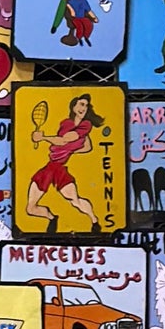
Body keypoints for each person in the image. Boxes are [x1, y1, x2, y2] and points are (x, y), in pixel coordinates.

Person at [25, 95, 101, 229]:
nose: (83, 108)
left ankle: (94, 221)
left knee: (75, 201)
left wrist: (43, 138)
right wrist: (71, 150)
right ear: (73, 106)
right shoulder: (66, 123)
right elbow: (87, 147)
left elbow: (64, 140)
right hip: (49, 168)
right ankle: (52, 218)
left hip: (59, 169)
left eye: (86, 105)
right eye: (81, 104)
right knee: (30, 208)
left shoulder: (86, 125)